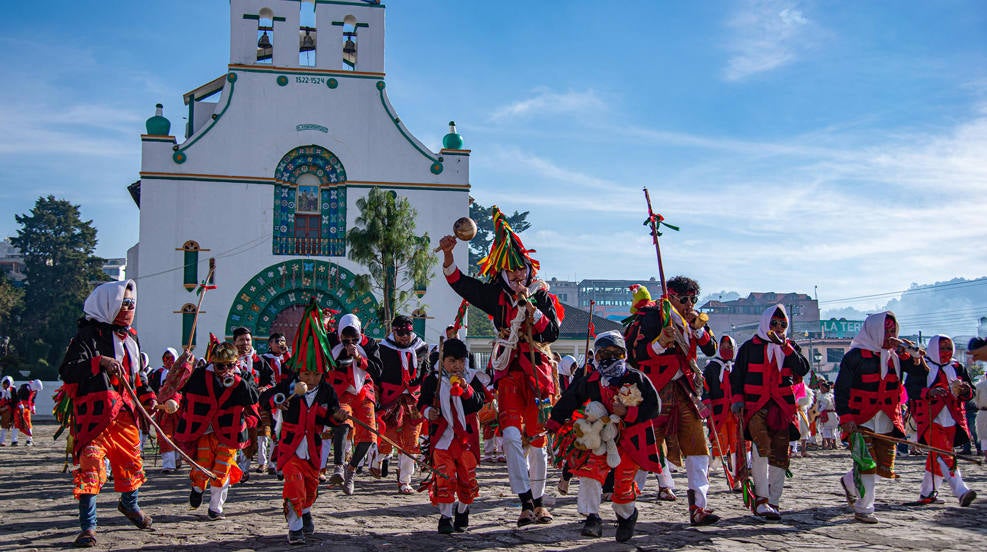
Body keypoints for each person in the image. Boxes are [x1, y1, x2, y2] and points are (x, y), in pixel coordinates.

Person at [438, 206, 563, 527]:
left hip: (538, 376)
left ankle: (539, 503)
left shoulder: (541, 296)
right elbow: (461, 283)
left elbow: (551, 332)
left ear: (529, 270)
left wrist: (531, 308)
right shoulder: (495, 296)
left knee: (537, 443)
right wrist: (449, 256)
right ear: (502, 274)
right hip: (508, 373)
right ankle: (523, 502)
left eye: (521, 270)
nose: (518, 275)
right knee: (509, 439)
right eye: (511, 272)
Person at [58, 280, 155, 547]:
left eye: (132, 304)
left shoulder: (131, 337)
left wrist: (150, 398)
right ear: (108, 304)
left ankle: (129, 504)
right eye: (124, 303)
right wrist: (99, 361)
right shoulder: (87, 337)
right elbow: (68, 371)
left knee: (130, 462)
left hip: (125, 416)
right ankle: (88, 527)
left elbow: (138, 378)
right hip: (96, 416)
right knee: (90, 467)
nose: (129, 308)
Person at [547, 331, 662, 542]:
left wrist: (628, 413)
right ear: (596, 356)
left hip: (629, 441)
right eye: (603, 353)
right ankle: (592, 517)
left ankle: (627, 515)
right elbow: (570, 399)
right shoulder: (591, 379)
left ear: (623, 354)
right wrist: (554, 422)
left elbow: (654, 407)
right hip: (599, 437)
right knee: (589, 473)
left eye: (615, 353)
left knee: (622, 483)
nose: (609, 358)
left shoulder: (635, 377)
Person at [627, 276, 719, 525]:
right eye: (685, 299)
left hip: (685, 389)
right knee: (645, 446)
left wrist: (698, 329)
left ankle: (699, 506)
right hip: (656, 388)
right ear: (672, 296)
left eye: (693, 299)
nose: (690, 304)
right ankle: (626, 505)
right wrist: (659, 343)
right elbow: (636, 352)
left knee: (698, 446)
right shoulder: (652, 316)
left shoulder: (695, 320)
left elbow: (711, 349)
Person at [261, 300, 346, 545]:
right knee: (295, 484)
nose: (310, 377)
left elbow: (331, 415)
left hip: (313, 450)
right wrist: (279, 401)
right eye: (306, 373)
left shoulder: (328, 391)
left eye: (315, 374)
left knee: (310, 488)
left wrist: (337, 417)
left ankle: (306, 510)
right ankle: (295, 527)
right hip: (290, 448)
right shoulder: (288, 388)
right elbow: (266, 397)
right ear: (298, 371)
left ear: (323, 373)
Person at [834, 312, 917, 523]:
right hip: (860, 417)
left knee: (882, 466)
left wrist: (909, 351)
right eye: (886, 331)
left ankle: (850, 482)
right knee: (867, 463)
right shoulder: (854, 357)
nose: (890, 335)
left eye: (893, 331)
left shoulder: (897, 358)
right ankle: (865, 507)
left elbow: (920, 373)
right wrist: (846, 416)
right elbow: (842, 389)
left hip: (888, 418)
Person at [731, 304, 810, 521]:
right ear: (766, 323)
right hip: (756, 405)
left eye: (783, 324)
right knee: (761, 447)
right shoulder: (749, 347)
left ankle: (774, 500)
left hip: (783, 407)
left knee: (780, 452)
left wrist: (786, 347)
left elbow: (802, 368)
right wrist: (737, 400)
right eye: (774, 323)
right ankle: (761, 499)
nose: (778, 328)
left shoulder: (791, 347)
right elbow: (737, 376)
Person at [172, 342, 260, 520]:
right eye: (220, 366)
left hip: (230, 431)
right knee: (203, 465)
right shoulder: (200, 374)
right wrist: (184, 364)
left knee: (222, 468)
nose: (225, 369)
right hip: (204, 430)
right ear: (213, 362)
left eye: (230, 365)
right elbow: (180, 386)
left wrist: (236, 381)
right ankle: (197, 487)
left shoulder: (243, 376)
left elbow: (253, 397)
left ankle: (215, 508)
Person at [418, 338, 487, 533]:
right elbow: (421, 403)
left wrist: (466, 389)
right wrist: (428, 411)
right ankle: (445, 516)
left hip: (466, 438)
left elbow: (478, 404)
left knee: (467, 477)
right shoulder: (434, 379)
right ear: (442, 360)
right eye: (452, 361)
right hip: (442, 437)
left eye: (461, 361)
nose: (457, 366)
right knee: (444, 475)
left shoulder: (472, 378)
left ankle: (463, 510)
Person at [907, 335, 977, 506]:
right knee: (945, 452)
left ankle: (927, 493)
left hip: (953, 418)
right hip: (930, 417)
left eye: (948, 348)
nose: (946, 352)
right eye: (942, 348)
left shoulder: (957, 367)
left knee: (937, 454)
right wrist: (929, 393)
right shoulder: (922, 366)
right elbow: (911, 389)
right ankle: (961, 490)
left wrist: (966, 390)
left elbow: (971, 392)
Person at [327, 313, 382, 495]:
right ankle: (338, 467)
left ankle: (351, 470)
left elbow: (378, 370)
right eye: (346, 338)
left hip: (363, 390)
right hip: (340, 391)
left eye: (354, 338)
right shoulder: (328, 341)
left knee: (368, 434)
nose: (350, 342)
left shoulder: (370, 344)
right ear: (339, 334)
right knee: (342, 424)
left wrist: (359, 358)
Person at [374, 315, 429, 493]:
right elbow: (376, 375)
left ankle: (405, 480)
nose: (405, 336)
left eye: (408, 332)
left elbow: (425, 373)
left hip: (414, 400)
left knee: (411, 439)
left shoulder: (421, 348)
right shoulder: (382, 349)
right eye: (401, 333)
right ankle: (377, 459)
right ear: (394, 331)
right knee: (387, 436)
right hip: (390, 399)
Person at [702, 335, 742, 491]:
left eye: (729, 347)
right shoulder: (711, 366)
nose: (726, 349)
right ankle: (705, 472)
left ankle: (737, 479)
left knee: (737, 445)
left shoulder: (737, 367)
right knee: (719, 443)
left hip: (735, 412)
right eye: (724, 346)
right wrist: (706, 401)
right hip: (718, 412)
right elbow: (705, 387)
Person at [148, 348, 181, 473]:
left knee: (178, 436)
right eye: (166, 358)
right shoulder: (157, 373)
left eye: (171, 358)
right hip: (163, 410)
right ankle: (169, 464)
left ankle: (177, 459)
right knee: (165, 436)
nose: (169, 361)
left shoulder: (181, 372)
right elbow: (152, 389)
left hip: (179, 410)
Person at [13, 379, 42, 446]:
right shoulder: (24, 387)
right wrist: (20, 405)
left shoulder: (35, 391)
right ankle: (14, 440)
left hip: (27, 408)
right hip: (19, 407)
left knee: (28, 423)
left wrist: (33, 407)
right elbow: (18, 397)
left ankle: (29, 440)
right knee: (17, 422)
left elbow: (33, 400)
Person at [814, 380, 840, 450]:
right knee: (833, 429)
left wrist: (818, 412)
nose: (821, 389)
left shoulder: (824, 397)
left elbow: (823, 406)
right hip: (833, 414)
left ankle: (829, 444)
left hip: (827, 415)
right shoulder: (832, 395)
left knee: (827, 429)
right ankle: (834, 444)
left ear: (826, 388)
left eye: (822, 388)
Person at [0, 375, 14, 445]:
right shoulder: (1, 391)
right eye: (4, 384)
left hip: (6, 410)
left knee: (4, 426)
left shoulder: (11, 391)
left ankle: (1, 441)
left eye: (6, 384)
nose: (5, 385)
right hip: (3, 408)